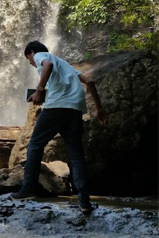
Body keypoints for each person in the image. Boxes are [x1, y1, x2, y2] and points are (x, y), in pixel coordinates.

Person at [12, 41, 107, 214]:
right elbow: (90, 81)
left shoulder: (43, 56)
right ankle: (84, 201)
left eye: (29, 60)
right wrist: (100, 109)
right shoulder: (66, 66)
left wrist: (39, 90)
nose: (32, 64)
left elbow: (46, 64)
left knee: (35, 145)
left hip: (57, 107)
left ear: (32, 52)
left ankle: (28, 189)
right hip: (74, 109)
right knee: (77, 154)